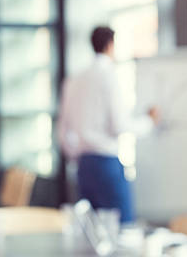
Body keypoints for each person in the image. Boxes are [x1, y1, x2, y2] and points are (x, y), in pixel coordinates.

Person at [57, 26, 160, 223]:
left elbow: (62, 131)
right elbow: (119, 125)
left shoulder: (75, 79)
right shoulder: (108, 75)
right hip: (107, 164)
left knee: (92, 234)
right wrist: (149, 122)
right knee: (123, 229)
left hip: (83, 165)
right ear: (110, 45)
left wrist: (77, 155)